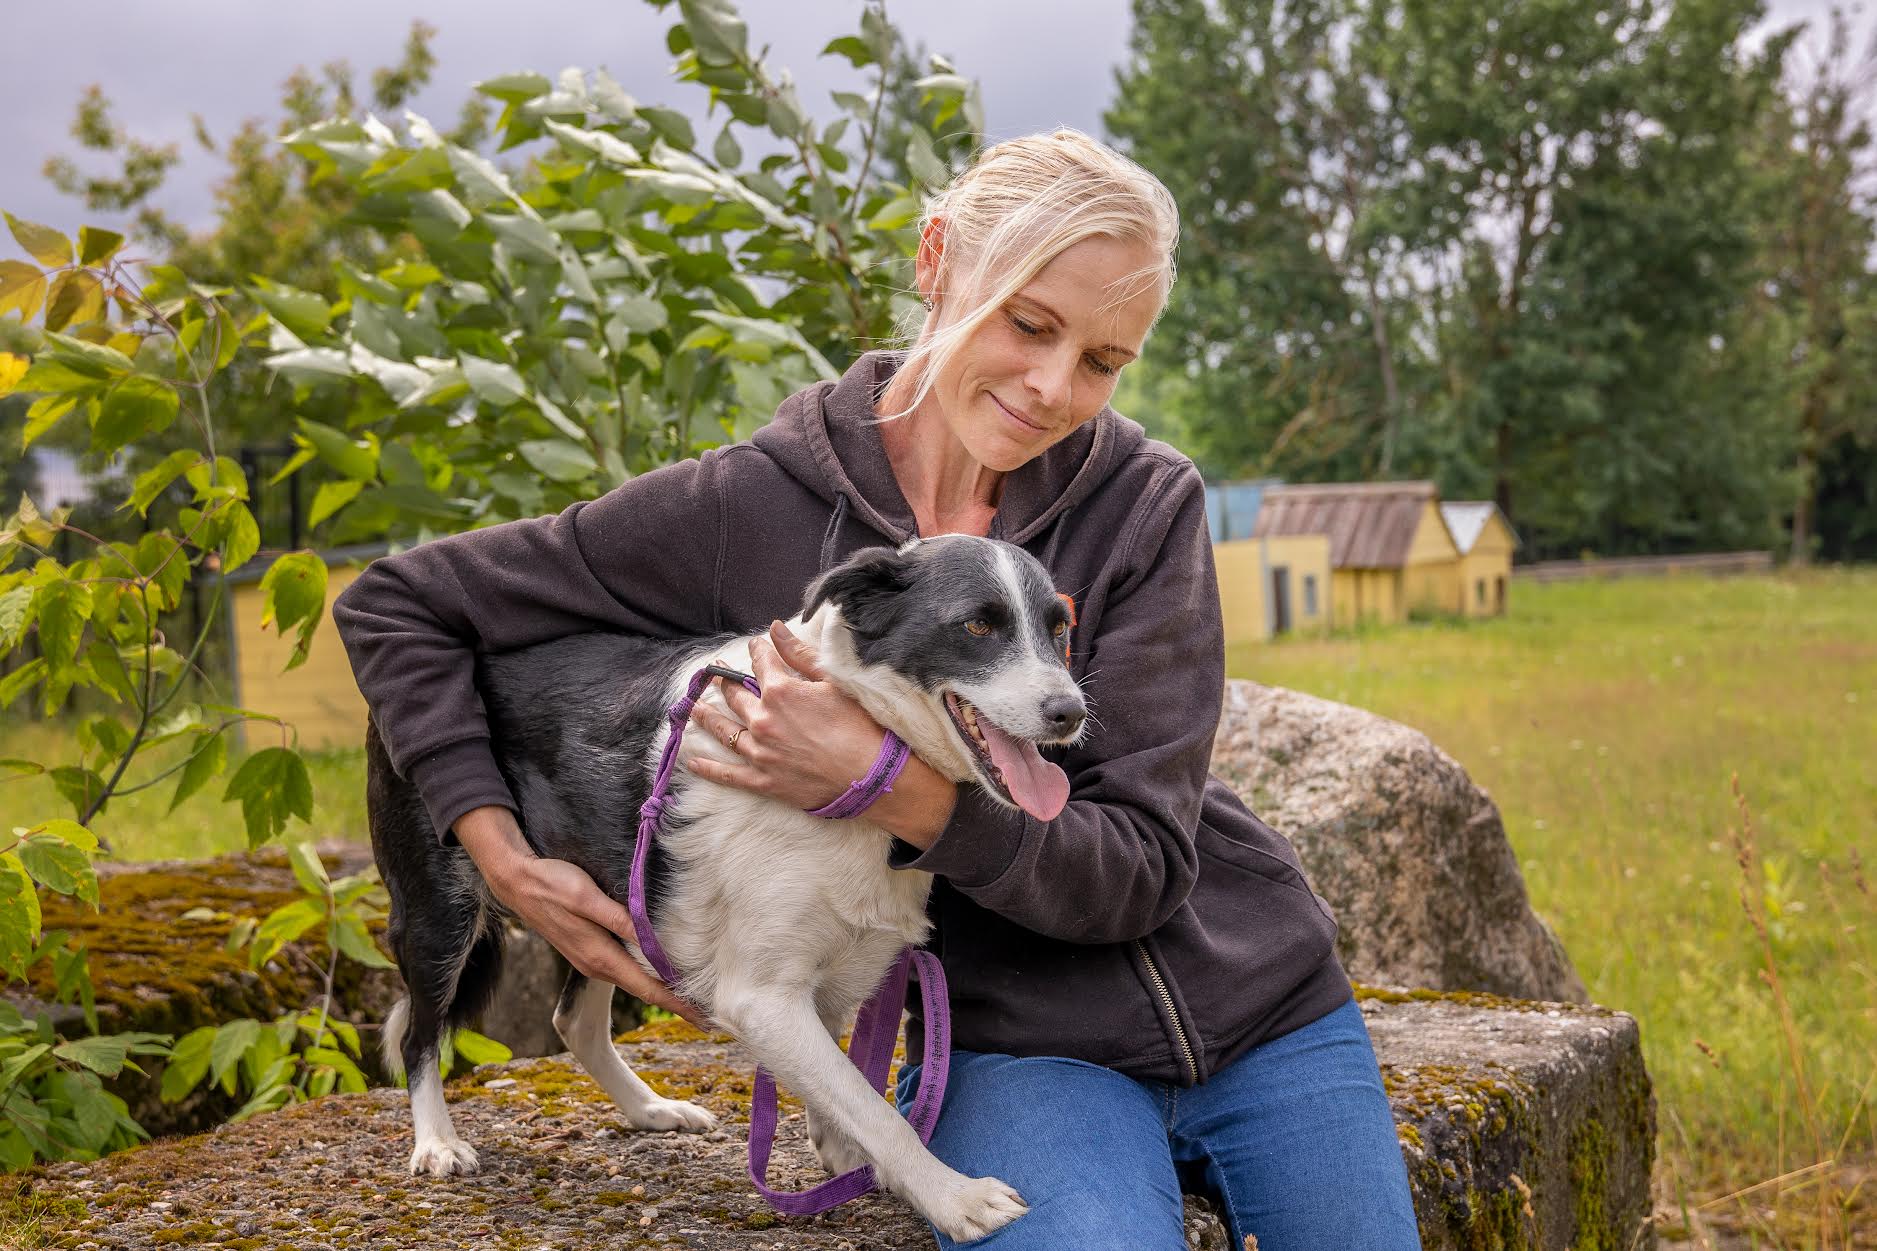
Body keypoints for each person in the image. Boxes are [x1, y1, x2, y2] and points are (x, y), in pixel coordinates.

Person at [334, 128, 1422, 1250]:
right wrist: (505, 859)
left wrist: (884, 786)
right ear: (935, 259)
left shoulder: (1144, 503)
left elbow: (1141, 866)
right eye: (1029, 322)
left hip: (1270, 1008)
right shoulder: (740, 508)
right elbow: (398, 605)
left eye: (1102, 361)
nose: (1054, 387)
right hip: (1022, 1048)